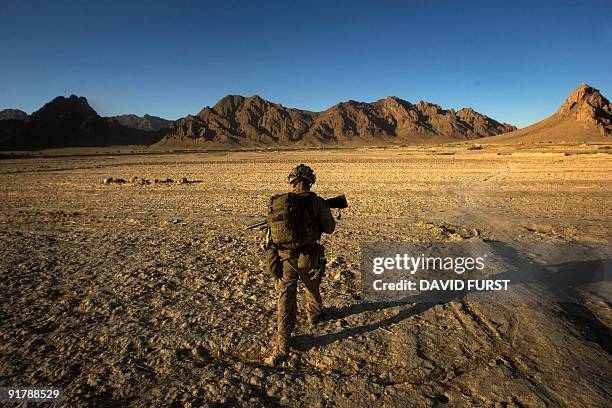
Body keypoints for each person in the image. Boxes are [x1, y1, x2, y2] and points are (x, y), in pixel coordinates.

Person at [265, 164, 336, 367]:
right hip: (309, 258)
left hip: (284, 259)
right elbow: (329, 228)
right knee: (313, 286)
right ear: (309, 181)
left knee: (285, 299)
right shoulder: (316, 201)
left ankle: (282, 346)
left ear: (293, 181)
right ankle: (314, 316)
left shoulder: (280, 202)